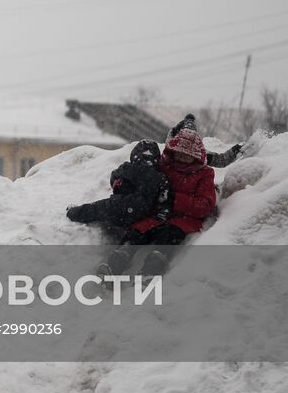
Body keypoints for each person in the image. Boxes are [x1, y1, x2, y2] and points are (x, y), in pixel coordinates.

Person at [70, 115, 218, 277]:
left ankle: (151, 271)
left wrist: (173, 199)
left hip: (181, 220)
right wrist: (123, 184)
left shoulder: (204, 174)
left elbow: (205, 205)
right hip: (155, 215)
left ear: (196, 156)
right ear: (172, 152)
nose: (182, 159)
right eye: (179, 155)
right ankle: (114, 266)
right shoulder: (164, 165)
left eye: (187, 156)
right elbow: (143, 179)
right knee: (135, 234)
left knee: (166, 240)